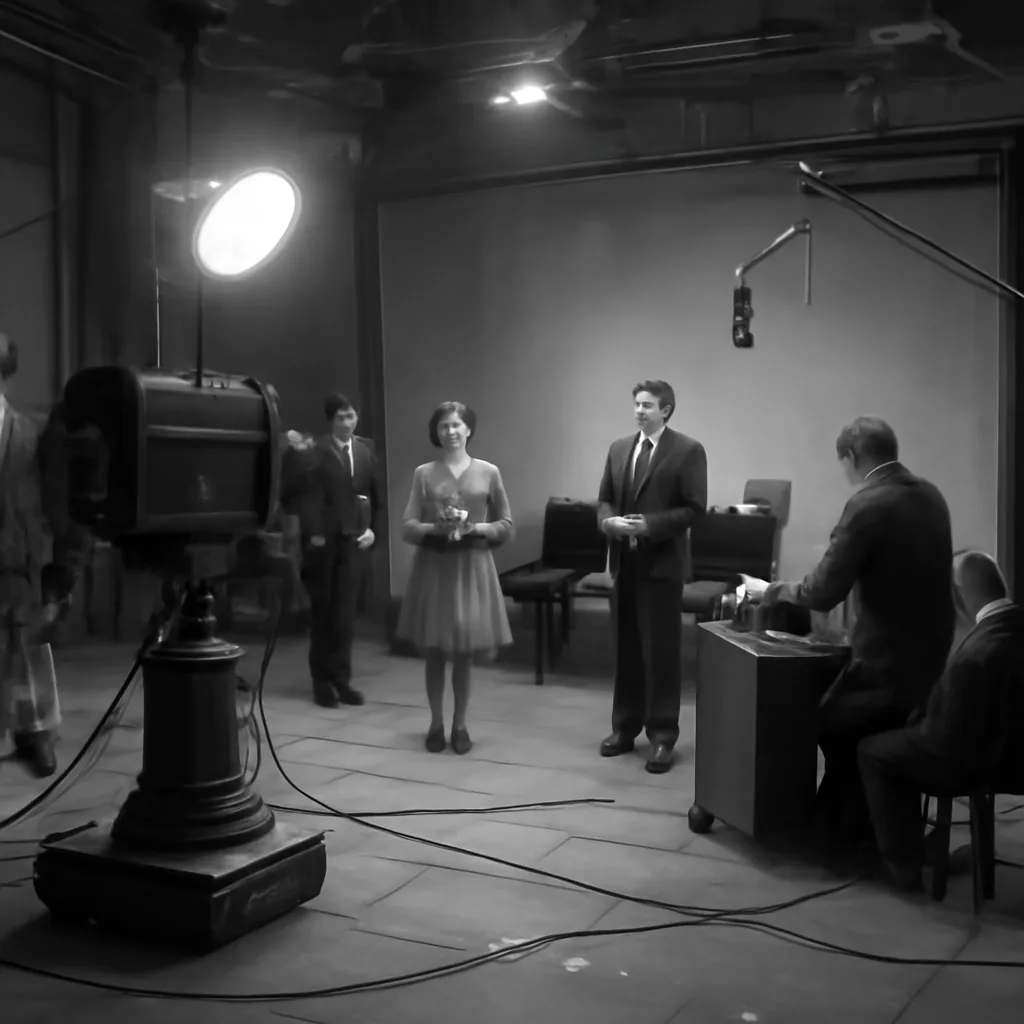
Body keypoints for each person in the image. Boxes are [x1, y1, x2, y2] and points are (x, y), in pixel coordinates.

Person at [759, 416, 955, 844]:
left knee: (824, 724)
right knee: (851, 725)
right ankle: (861, 826)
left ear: (851, 457)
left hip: (887, 663)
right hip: (934, 663)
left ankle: (849, 835)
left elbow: (823, 590)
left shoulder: (868, 504)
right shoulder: (931, 495)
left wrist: (775, 590)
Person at [857, 550, 1024, 890]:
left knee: (873, 750)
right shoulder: (1010, 630)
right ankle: (921, 845)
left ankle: (903, 863)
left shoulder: (974, 656)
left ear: (959, 596)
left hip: (975, 763)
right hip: (1017, 763)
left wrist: (915, 720)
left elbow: (941, 744)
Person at [597, 380, 707, 774]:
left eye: (648, 405)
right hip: (624, 564)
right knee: (626, 649)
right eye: (637, 404)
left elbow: (694, 509)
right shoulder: (618, 449)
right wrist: (608, 521)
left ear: (667, 410)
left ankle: (662, 736)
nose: (640, 411)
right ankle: (624, 728)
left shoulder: (687, 451)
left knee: (660, 654)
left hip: (661, 567)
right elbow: (605, 497)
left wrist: (650, 526)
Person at [396, 401, 514, 755]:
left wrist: (474, 526)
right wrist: (437, 526)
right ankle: (435, 723)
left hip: (473, 566)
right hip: (436, 567)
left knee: (463, 651)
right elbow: (407, 526)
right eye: (443, 426)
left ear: (468, 430)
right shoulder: (424, 473)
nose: (450, 432)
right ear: (436, 432)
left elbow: (506, 525)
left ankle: (460, 724)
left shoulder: (488, 472)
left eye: (456, 425)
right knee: (435, 649)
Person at [1, 332, 88, 777]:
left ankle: (35, 733)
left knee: (28, 651)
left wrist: (59, 580)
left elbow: (58, 508)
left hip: (19, 563)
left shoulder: (32, 434)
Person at [286, 393, 381, 708]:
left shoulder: (365, 451)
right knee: (324, 612)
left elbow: (373, 496)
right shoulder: (316, 450)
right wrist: (313, 533)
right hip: (323, 541)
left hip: (354, 541)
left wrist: (372, 531)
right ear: (331, 421)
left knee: (345, 614)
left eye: (351, 416)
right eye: (341, 417)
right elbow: (305, 497)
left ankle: (342, 679)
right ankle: (321, 681)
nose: (347, 422)